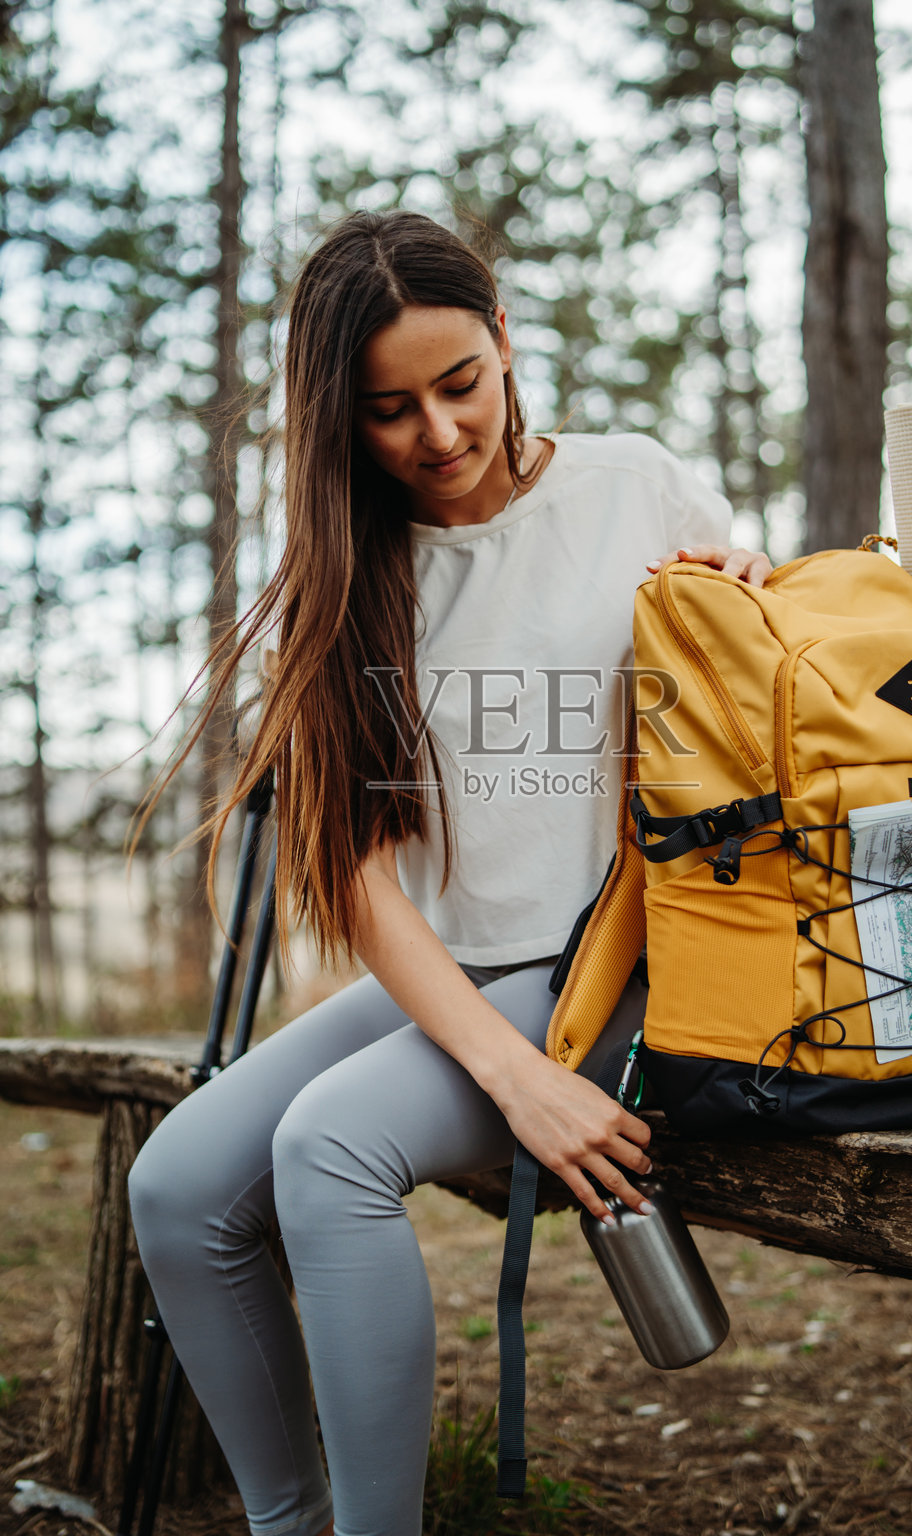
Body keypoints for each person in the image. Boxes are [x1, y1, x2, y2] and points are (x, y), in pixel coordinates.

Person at [127, 210, 771, 1536]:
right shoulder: (350, 577)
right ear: (337, 421)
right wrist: (513, 1076)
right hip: (467, 976)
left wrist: (756, 590)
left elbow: (762, 691)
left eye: (461, 382)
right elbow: (360, 881)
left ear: (505, 342)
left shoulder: (635, 485)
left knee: (329, 1150)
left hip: (625, 964)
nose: (438, 432)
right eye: (390, 409)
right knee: (178, 1188)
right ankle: (290, 1521)